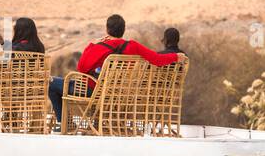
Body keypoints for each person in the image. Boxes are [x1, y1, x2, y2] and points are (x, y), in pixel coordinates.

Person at [48, 14, 186, 121]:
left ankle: (62, 122)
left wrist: (92, 45)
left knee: (51, 84)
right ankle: (85, 121)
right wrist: (176, 56)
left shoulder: (97, 47)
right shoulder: (132, 46)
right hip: (114, 94)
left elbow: (81, 69)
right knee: (63, 83)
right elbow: (157, 59)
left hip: (91, 91)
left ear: (107, 29)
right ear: (123, 30)